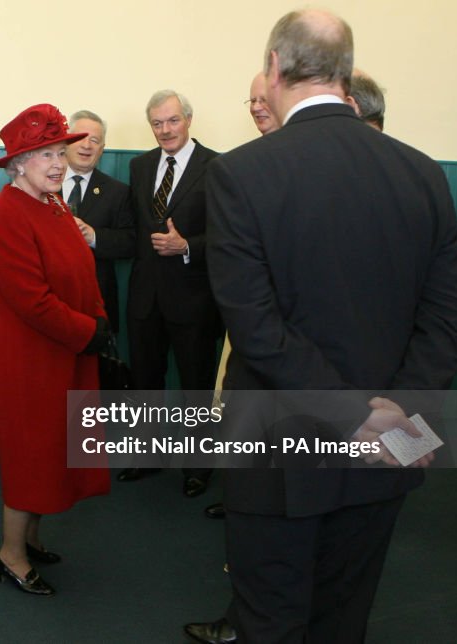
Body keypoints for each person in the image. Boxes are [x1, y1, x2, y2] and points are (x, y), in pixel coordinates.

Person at [188, 10, 457, 643]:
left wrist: (353, 413)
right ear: (345, 74)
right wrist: (395, 410)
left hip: (278, 445)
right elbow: (450, 315)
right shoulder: (422, 172)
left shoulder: (241, 173)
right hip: (389, 444)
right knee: (346, 617)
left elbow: (256, 327)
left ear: (275, 67)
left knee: (270, 620)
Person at [0, 103, 111, 597]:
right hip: (31, 359)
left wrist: (97, 317)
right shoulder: (6, 213)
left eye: (61, 152)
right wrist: (90, 331)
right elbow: (33, 302)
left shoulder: (53, 203)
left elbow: (82, 267)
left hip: (66, 349)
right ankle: (10, 555)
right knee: (30, 454)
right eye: (45, 155)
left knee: (55, 449)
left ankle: (31, 539)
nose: (59, 163)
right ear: (19, 164)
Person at [119, 90, 220, 496]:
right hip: (145, 295)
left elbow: (228, 237)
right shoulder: (140, 166)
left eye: (172, 120)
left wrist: (188, 247)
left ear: (189, 120)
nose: (165, 130)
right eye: (157, 123)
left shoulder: (216, 166)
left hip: (193, 296)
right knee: (145, 379)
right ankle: (146, 455)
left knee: (197, 382)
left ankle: (198, 467)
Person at [201, 72, 282, 524]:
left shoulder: (298, 162)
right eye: (249, 100)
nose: (255, 107)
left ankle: (255, 507)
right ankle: (241, 499)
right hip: (244, 316)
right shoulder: (242, 163)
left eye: (263, 98)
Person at [64, 110, 133, 334]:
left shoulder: (118, 192)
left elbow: (130, 242)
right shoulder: (42, 184)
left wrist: (94, 236)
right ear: (66, 141)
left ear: (102, 150)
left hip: (96, 304)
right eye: (81, 137)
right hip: (48, 299)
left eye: (95, 140)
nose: (87, 145)